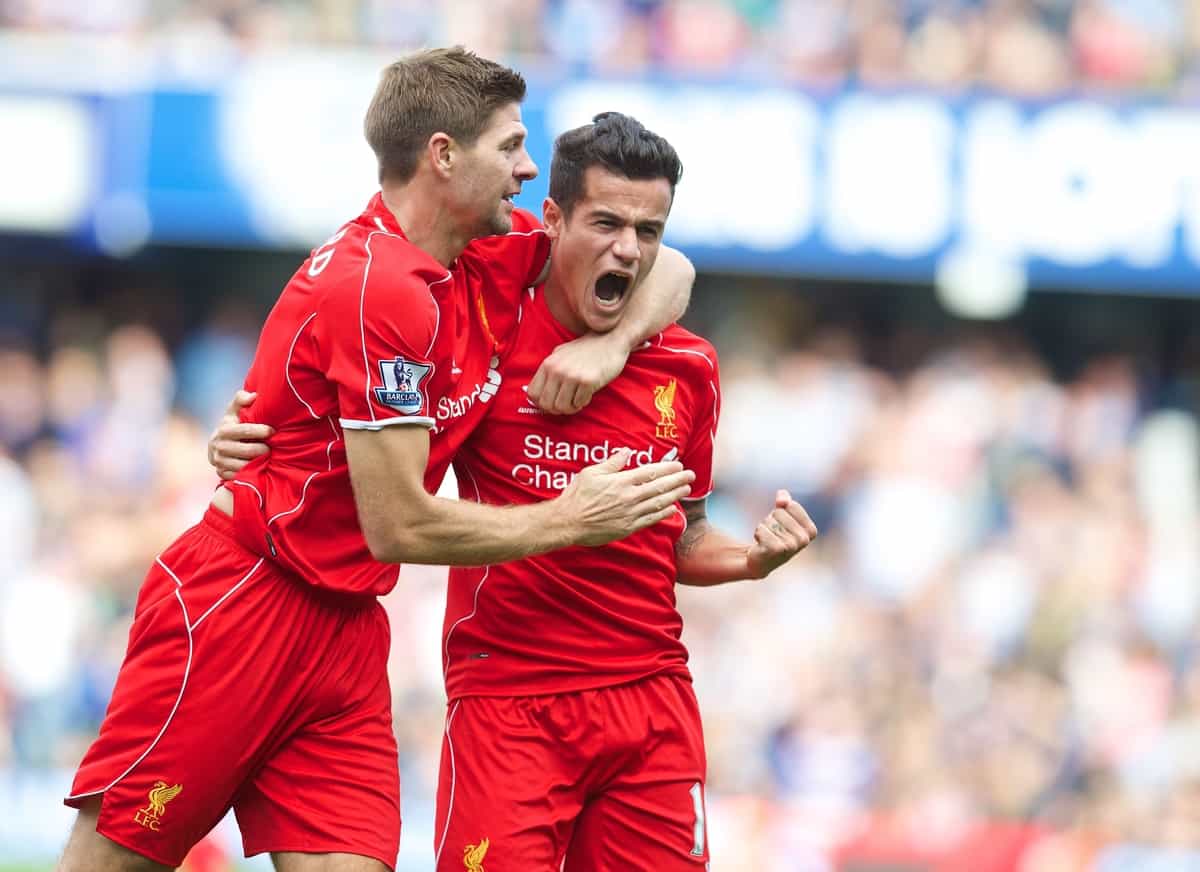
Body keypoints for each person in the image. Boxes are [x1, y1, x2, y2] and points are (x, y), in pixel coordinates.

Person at [59, 50, 694, 872]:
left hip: (349, 624)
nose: (528, 168)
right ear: (443, 155)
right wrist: (572, 519)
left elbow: (669, 266)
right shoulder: (379, 288)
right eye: (509, 147)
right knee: (112, 860)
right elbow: (396, 523)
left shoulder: (487, 258)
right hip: (245, 603)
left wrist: (611, 353)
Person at [213, 113, 817, 871]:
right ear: (552, 221)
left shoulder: (688, 366)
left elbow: (684, 536)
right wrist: (252, 429)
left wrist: (750, 560)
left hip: (650, 699)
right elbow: (353, 377)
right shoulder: (486, 328)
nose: (627, 249)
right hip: (509, 703)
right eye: (605, 223)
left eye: (648, 230)